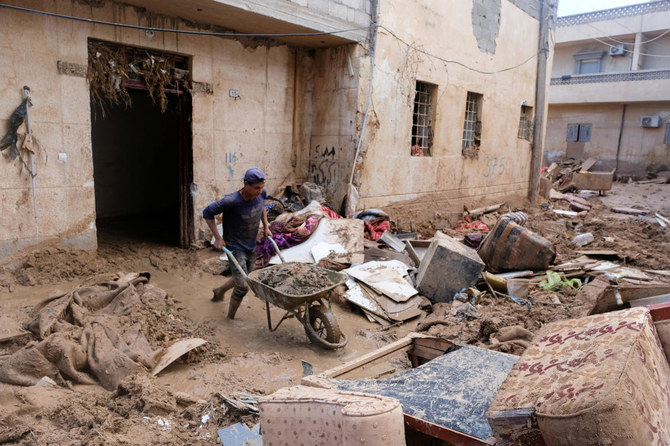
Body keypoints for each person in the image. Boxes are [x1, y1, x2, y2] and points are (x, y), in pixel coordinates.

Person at [203, 167, 272, 319]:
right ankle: (229, 319)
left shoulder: (261, 194)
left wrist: (266, 226)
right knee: (242, 286)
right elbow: (207, 213)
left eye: (261, 188)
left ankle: (219, 291)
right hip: (235, 246)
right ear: (246, 184)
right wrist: (218, 238)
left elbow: (262, 207)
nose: (260, 191)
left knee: (244, 276)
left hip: (251, 244)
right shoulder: (231, 201)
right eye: (256, 188)